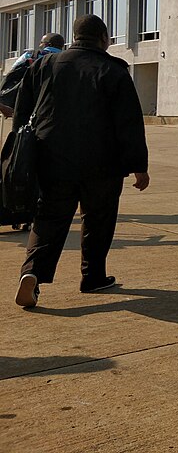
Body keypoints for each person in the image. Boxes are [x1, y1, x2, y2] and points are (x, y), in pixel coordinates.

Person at [14, 15, 149, 309]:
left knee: (49, 219)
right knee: (98, 220)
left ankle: (32, 273)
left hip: (52, 159)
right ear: (103, 38)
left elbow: (22, 113)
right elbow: (129, 122)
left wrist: (21, 152)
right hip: (102, 164)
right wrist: (139, 165)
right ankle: (93, 277)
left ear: (74, 37)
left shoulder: (44, 65)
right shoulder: (113, 70)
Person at [0, 33, 65, 118]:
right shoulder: (67, 58)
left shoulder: (30, 55)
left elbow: (13, 71)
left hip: (28, 100)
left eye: (41, 42)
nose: (39, 45)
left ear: (49, 44)